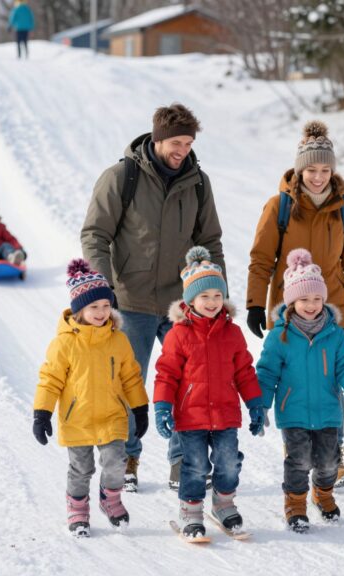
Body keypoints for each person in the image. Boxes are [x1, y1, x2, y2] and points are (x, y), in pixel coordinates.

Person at [81, 103, 225, 492]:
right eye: (176, 142)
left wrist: (216, 293)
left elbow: (209, 239)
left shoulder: (197, 181)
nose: (183, 150)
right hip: (131, 299)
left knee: (189, 381)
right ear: (159, 139)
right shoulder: (122, 177)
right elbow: (95, 234)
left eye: (189, 143)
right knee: (130, 383)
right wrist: (103, 286)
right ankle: (128, 455)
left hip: (181, 303)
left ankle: (185, 461)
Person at [246, 120, 344, 488]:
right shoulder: (280, 207)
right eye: (311, 170)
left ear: (332, 171)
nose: (318, 177)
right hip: (288, 312)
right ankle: (296, 449)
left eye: (325, 170)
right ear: (299, 170)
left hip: (332, 308)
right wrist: (256, 304)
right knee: (292, 379)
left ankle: (335, 457)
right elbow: (260, 259)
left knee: (331, 382)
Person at [32, 259, 150, 537]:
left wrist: (140, 407)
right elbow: (50, 380)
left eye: (106, 306)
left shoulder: (118, 340)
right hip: (79, 419)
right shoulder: (64, 343)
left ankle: (110, 498)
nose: (101, 312)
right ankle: (78, 508)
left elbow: (131, 377)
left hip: (111, 417)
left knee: (116, 462)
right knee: (80, 468)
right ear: (79, 309)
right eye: (93, 307)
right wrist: (42, 413)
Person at [152, 247, 263, 538]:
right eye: (204, 296)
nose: (212, 302)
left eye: (217, 295)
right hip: (191, 416)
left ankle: (224, 505)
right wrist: (163, 406)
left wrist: (255, 404)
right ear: (191, 299)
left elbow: (245, 373)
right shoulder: (179, 334)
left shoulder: (233, 333)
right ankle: (190, 511)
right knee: (195, 466)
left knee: (228, 461)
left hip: (225, 413)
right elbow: (167, 373)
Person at [256, 249, 344, 533]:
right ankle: (295, 503)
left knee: (329, 462)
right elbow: (267, 372)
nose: (312, 304)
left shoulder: (334, 334)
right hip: (293, 412)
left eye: (317, 299)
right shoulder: (279, 335)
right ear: (292, 301)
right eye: (304, 299)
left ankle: (323, 493)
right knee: (299, 460)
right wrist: (262, 404)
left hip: (329, 411)